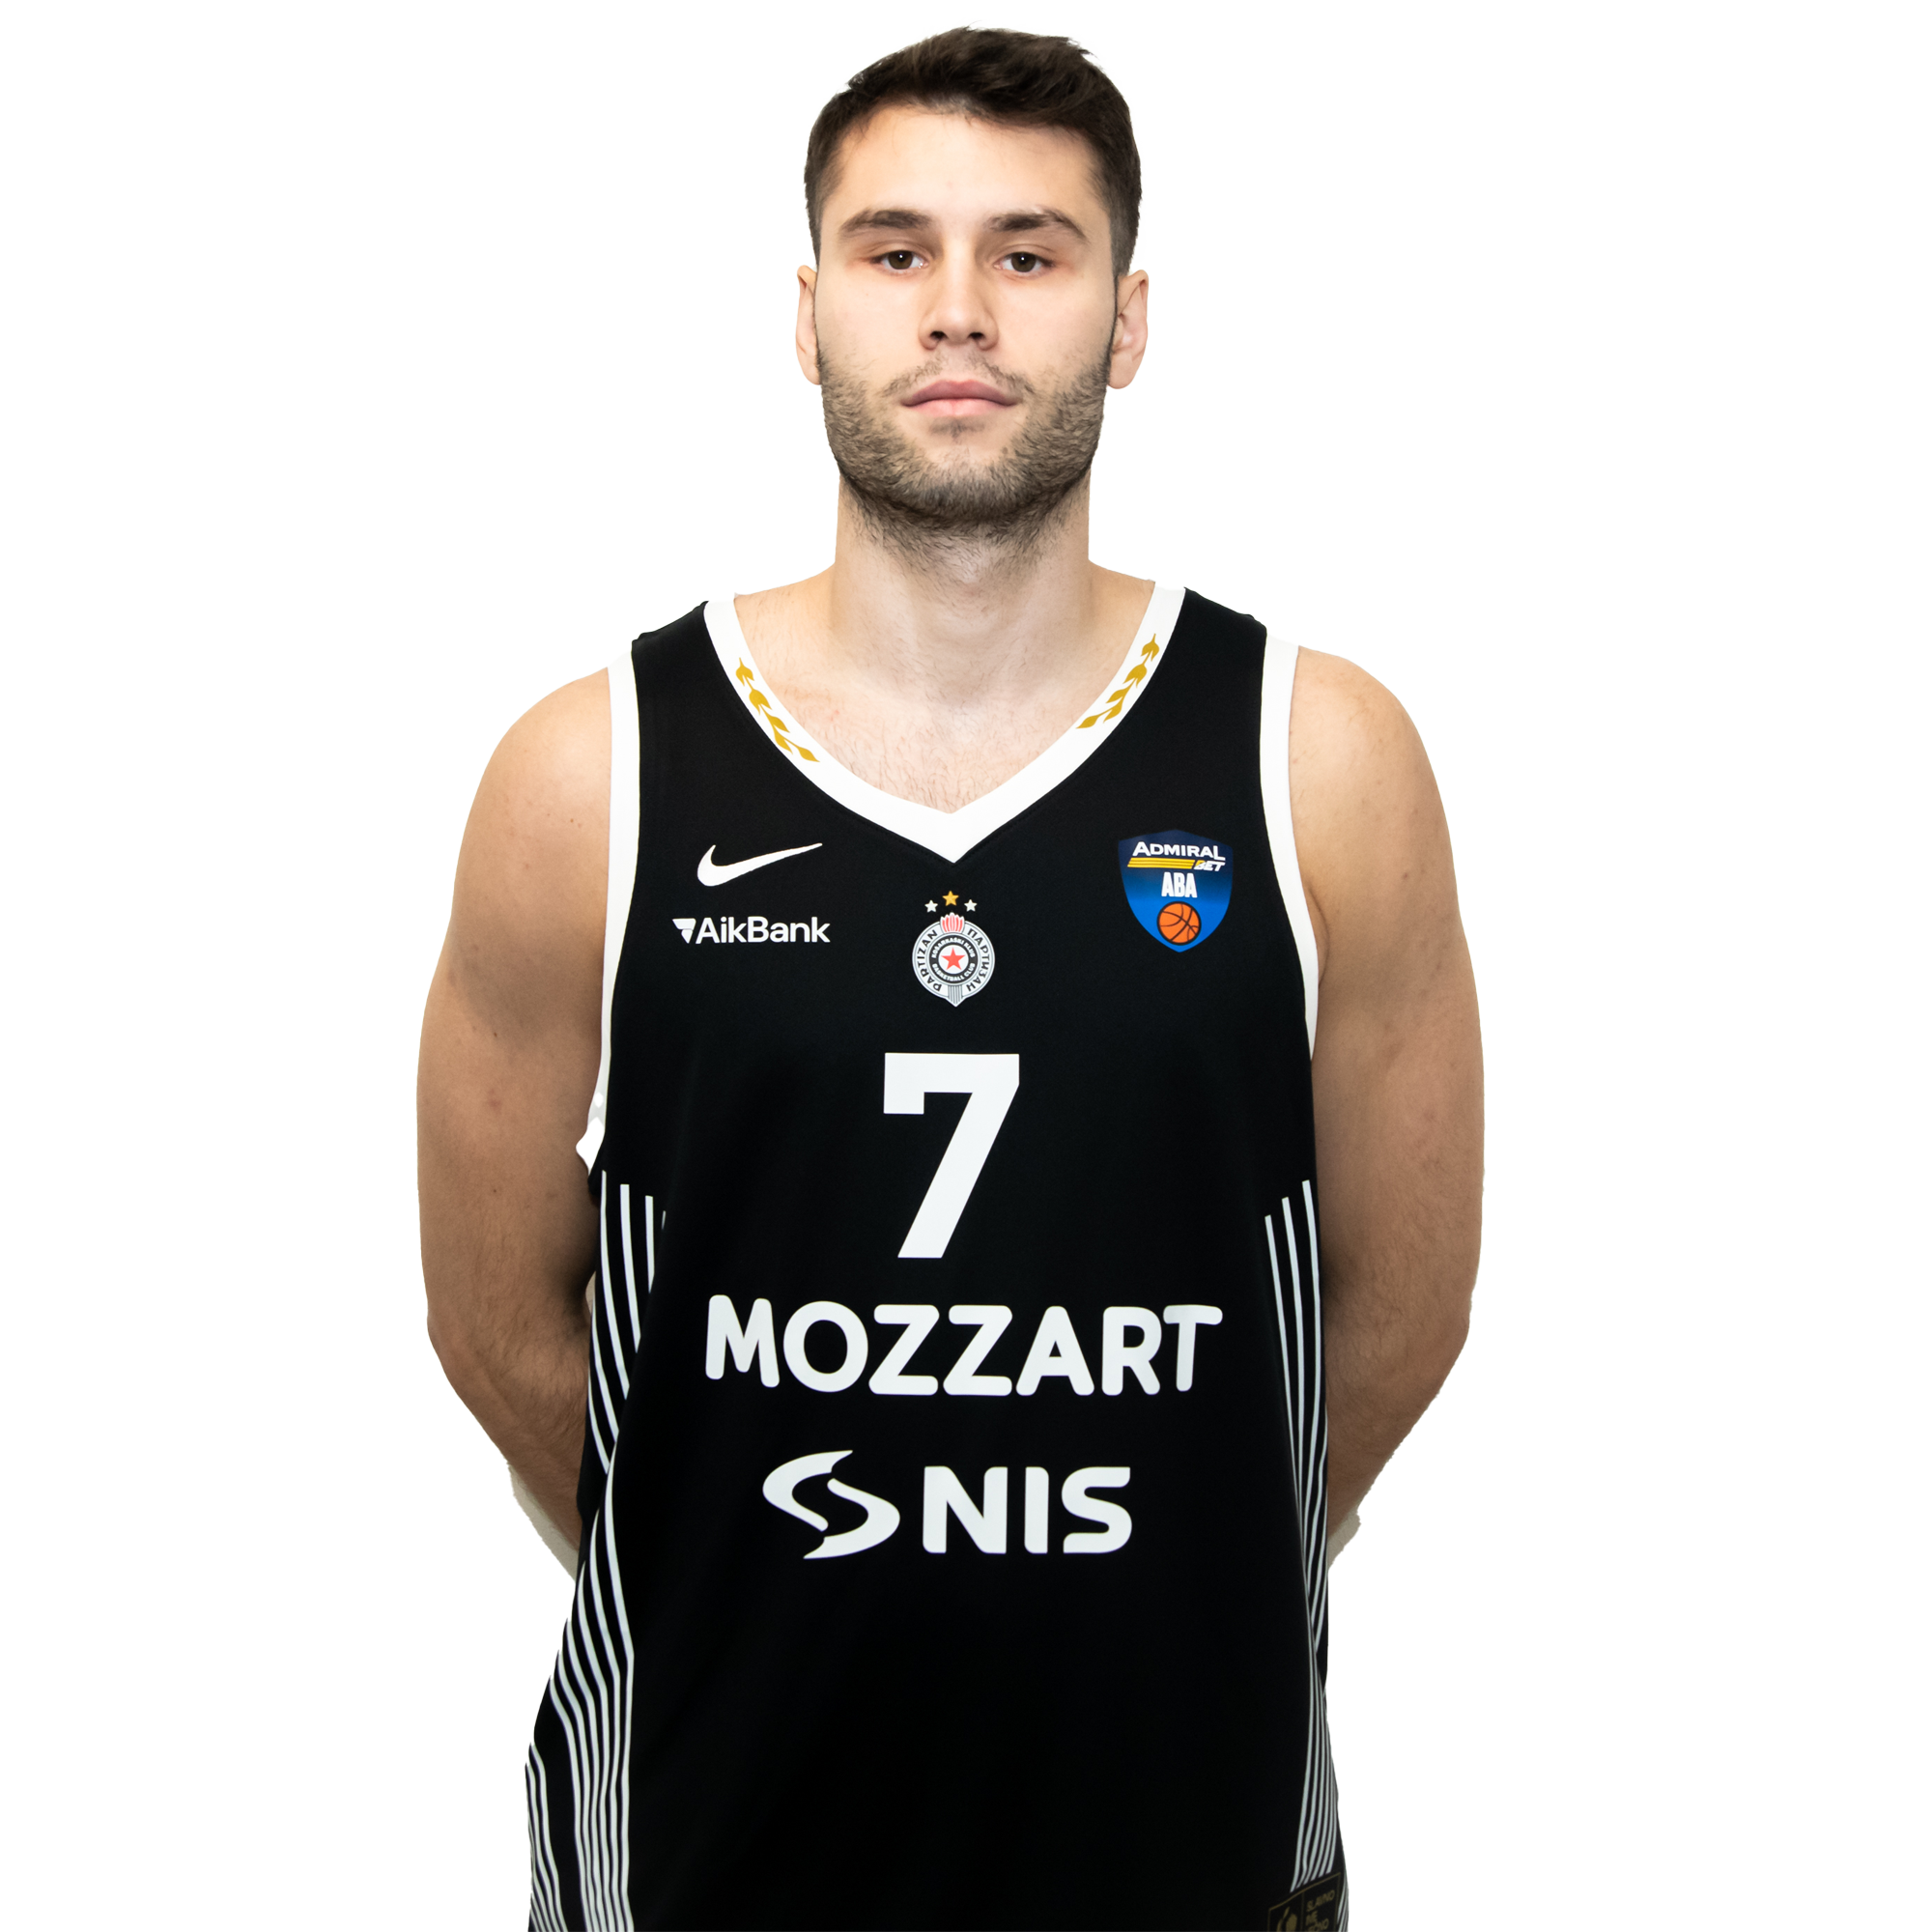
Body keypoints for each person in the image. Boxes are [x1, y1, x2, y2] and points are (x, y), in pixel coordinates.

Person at [417, 24, 1481, 1931]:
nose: (959, 308)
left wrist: (1168, 1553)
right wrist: (735, 1545)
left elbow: (1398, 1310)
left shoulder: (1316, 761)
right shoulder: (594, 775)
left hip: (1193, 1844)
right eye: (895, 248)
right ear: (809, 310)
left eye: (1031, 251)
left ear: (1126, 321)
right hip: (706, 1854)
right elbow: (494, 1316)